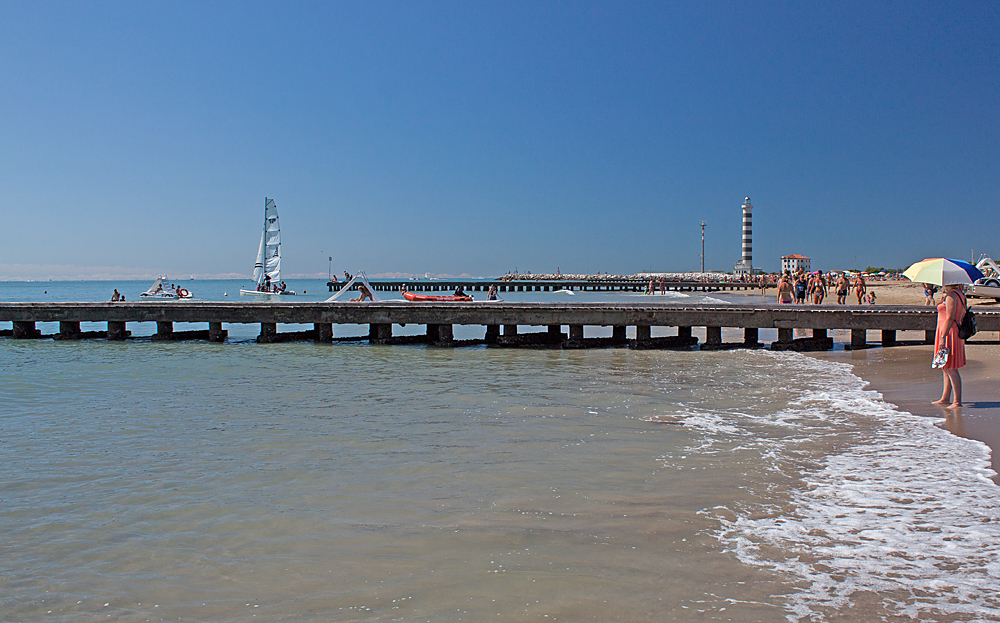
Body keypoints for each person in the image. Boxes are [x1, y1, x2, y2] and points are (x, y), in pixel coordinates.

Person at [933, 284, 967, 408]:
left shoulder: (953, 295)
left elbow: (950, 317)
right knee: (945, 366)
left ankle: (957, 401)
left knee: (951, 367)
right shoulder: (957, 294)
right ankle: (945, 397)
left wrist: (943, 337)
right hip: (947, 331)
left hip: (949, 332)